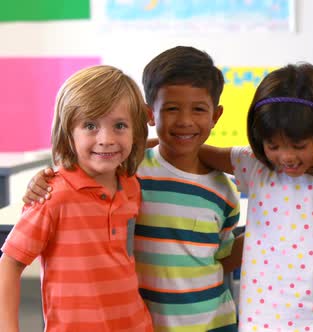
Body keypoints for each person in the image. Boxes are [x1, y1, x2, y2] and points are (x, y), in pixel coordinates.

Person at [22, 46, 241, 331]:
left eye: (198, 109)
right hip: (141, 322)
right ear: (150, 115)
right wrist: (42, 179)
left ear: (216, 115)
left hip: (211, 322)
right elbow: (82, 169)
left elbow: (222, 258)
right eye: (172, 108)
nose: (185, 120)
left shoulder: (224, 191)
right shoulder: (129, 172)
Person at [197, 62, 313, 331]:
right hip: (262, 323)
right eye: (273, 146)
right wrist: (155, 146)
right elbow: (197, 151)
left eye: (299, 146)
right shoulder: (255, 167)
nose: (286, 157)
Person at [0, 65, 153, 331]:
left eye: (119, 125)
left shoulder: (131, 186)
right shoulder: (52, 195)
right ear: (67, 132)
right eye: (90, 125)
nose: (106, 139)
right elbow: (9, 265)